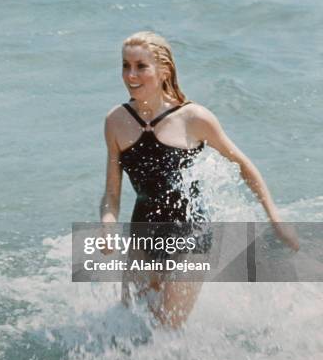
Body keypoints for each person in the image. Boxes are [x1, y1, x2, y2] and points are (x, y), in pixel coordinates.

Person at [100, 31, 299, 328]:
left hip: (190, 236)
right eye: (125, 65)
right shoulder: (115, 121)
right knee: (134, 323)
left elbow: (244, 165)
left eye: (141, 66)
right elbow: (111, 193)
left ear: (163, 69)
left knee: (167, 331)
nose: (131, 75)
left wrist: (276, 220)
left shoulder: (194, 118)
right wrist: (107, 224)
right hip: (143, 234)